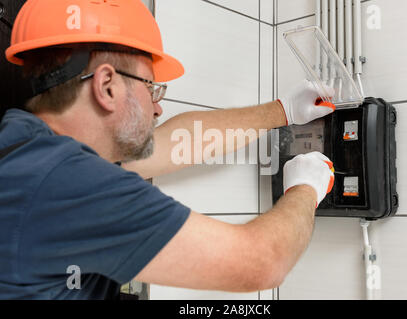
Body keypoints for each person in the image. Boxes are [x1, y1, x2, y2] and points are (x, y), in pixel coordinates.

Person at [0, 0, 335, 299]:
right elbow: (262, 263)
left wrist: (283, 111)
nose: (158, 109)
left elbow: (177, 144)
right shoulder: (69, 185)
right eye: (151, 88)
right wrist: (305, 189)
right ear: (107, 86)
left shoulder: (24, 145)